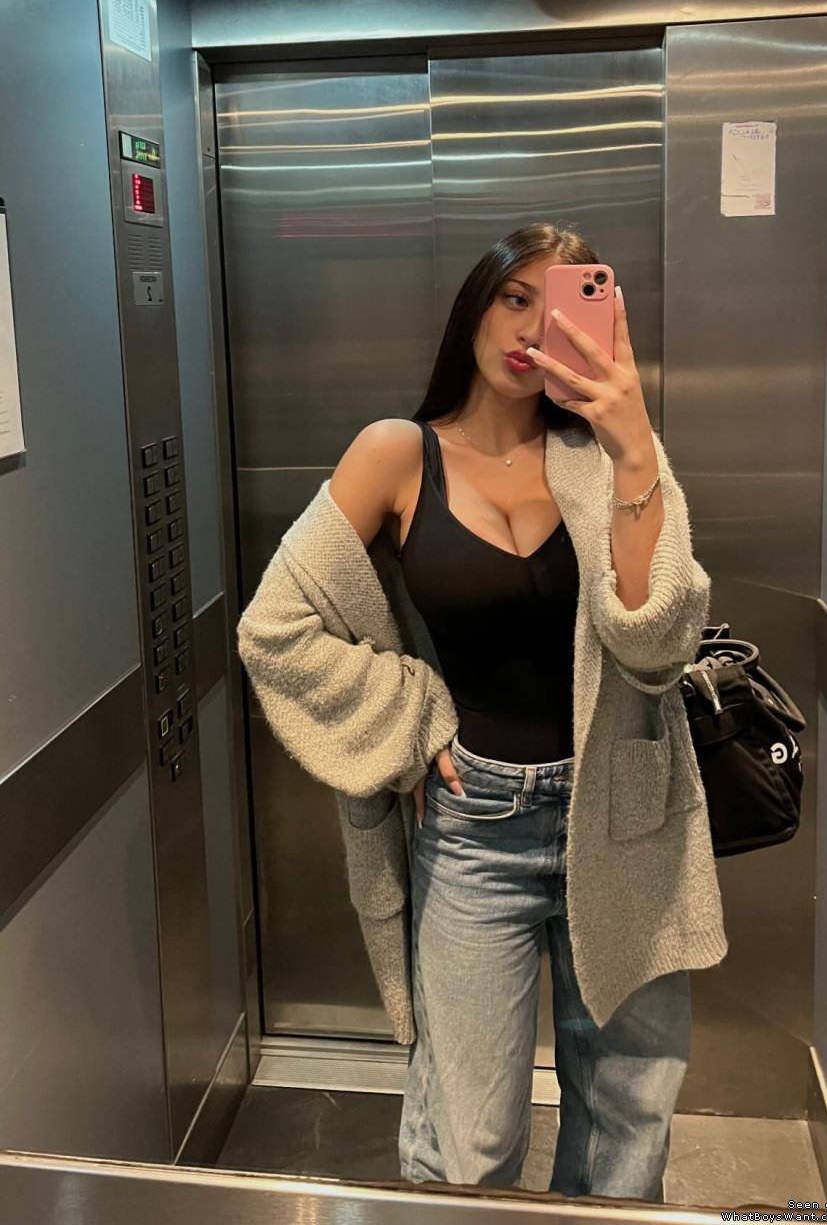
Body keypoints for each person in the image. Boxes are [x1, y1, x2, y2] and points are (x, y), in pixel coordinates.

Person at [237, 222, 728, 1200]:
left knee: (627, 1120)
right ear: (475, 305)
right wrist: (412, 712)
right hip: (474, 832)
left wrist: (634, 446)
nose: (534, 328)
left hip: (623, 810)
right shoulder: (396, 454)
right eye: (515, 298)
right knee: (469, 1138)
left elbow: (656, 645)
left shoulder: (610, 455)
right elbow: (274, 628)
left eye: (563, 306)